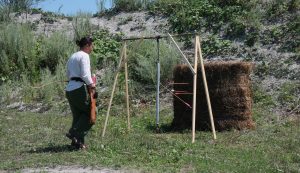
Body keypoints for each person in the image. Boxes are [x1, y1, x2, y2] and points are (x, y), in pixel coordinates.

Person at [65, 36, 95, 149]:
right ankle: (73, 132)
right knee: (91, 113)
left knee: (78, 117)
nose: (92, 48)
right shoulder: (84, 56)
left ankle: (77, 144)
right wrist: (91, 84)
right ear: (87, 45)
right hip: (78, 89)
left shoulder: (73, 56)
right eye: (92, 46)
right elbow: (85, 74)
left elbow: (68, 75)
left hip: (69, 90)